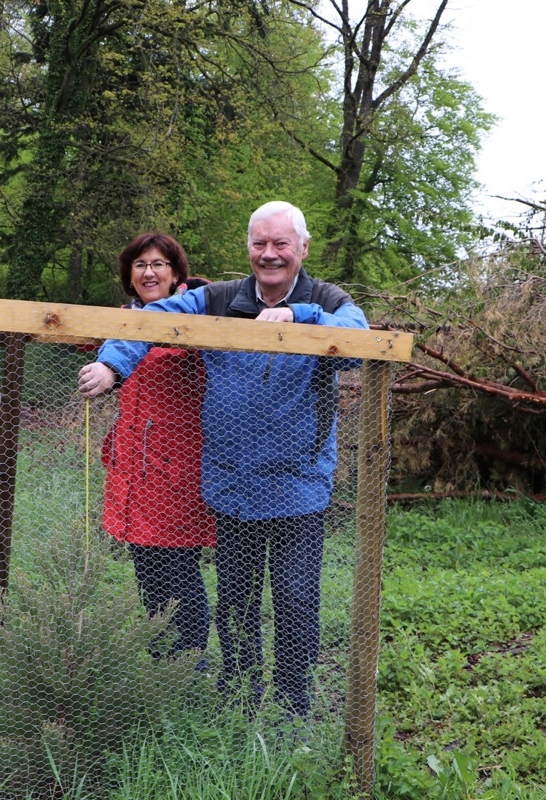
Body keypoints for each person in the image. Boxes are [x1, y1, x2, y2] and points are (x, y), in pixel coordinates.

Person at [79, 202, 367, 717]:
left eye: (281, 244)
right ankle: (240, 696)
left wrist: (298, 317)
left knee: (296, 601)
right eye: (260, 244)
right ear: (248, 248)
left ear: (302, 248)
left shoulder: (326, 299)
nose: (270, 254)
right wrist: (112, 364)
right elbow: (155, 318)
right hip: (231, 484)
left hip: (297, 484)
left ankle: (292, 704)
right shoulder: (220, 298)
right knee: (236, 602)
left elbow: (359, 343)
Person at [96, 233, 216, 666]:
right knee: (145, 567)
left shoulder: (194, 319)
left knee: (179, 569)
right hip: (132, 466)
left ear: (176, 274)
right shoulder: (123, 323)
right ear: (130, 276)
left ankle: (191, 664)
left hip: (175, 468)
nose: (149, 272)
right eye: (140, 265)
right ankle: (160, 655)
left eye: (159, 264)